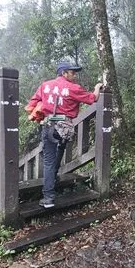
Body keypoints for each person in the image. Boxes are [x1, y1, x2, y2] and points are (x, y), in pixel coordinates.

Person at [25, 62, 103, 208]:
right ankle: (52, 184)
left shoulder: (45, 86)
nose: (75, 75)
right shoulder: (73, 88)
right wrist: (98, 88)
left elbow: (31, 105)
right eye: (72, 72)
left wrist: (41, 113)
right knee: (57, 155)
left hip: (48, 126)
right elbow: (93, 98)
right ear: (63, 73)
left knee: (49, 161)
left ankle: (48, 198)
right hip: (65, 128)